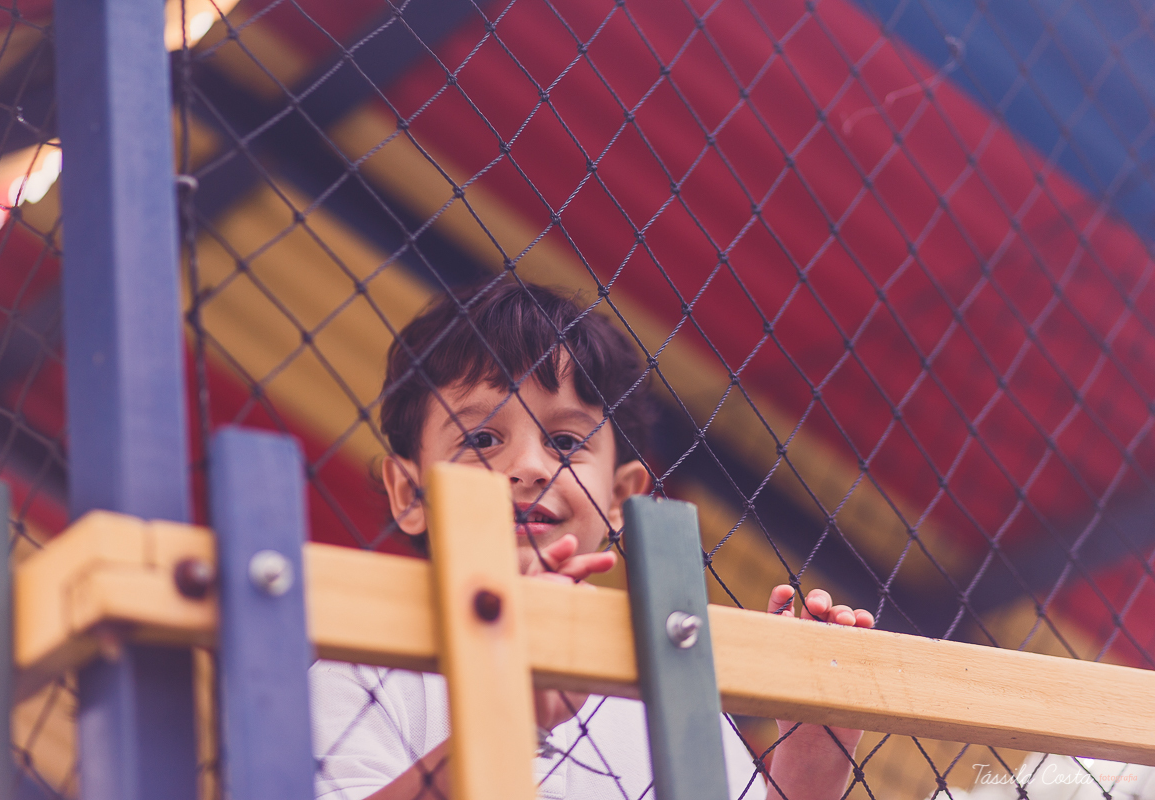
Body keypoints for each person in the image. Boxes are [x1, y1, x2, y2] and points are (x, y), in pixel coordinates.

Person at [311, 279, 875, 800]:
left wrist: (809, 768)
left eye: (563, 442)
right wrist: (510, 721)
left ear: (619, 497)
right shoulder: (364, 662)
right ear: (409, 494)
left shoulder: (672, 685)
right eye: (481, 438)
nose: (529, 467)